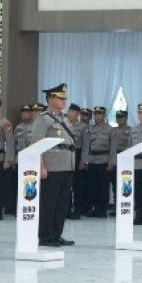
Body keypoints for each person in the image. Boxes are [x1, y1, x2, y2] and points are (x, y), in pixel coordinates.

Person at [31, 84, 77, 247]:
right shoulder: (44, 119)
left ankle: (57, 233)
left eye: (65, 98)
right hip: (52, 167)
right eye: (60, 98)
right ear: (51, 99)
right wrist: (41, 166)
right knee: (48, 203)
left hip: (66, 166)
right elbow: (37, 143)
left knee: (62, 203)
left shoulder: (64, 119)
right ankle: (45, 235)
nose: (64, 101)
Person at [84, 106, 113, 217]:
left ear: (105, 115)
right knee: (93, 186)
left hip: (104, 160)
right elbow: (87, 146)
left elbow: (113, 147)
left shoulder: (110, 130)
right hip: (92, 160)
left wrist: (111, 162)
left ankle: (103, 209)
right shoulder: (90, 129)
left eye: (100, 114)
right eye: (95, 113)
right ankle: (96, 208)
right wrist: (85, 161)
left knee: (104, 186)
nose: (97, 116)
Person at [67, 105, 88, 219]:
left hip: (78, 155)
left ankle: (77, 210)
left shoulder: (83, 127)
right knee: (66, 184)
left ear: (78, 114)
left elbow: (86, 145)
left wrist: (83, 160)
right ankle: (67, 208)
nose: (71, 113)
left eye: (73, 112)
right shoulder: (63, 124)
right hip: (66, 155)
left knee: (77, 185)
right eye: (70, 111)